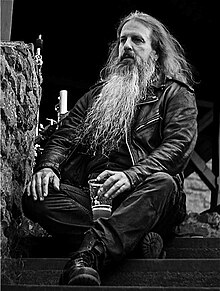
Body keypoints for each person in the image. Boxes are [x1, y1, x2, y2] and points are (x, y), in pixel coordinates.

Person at [22, 10, 198, 286]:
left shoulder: (176, 94)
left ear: (155, 52)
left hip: (145, 195)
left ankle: (89, 256)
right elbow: (64, 136)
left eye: (137, 40)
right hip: (94, 199)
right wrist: (47, 167)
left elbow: (177, 147)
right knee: (37, 196)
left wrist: (131, 176)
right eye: (122, 40)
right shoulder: (97, 95)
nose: (126, 46)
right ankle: (131, 240)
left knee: (163, 183)